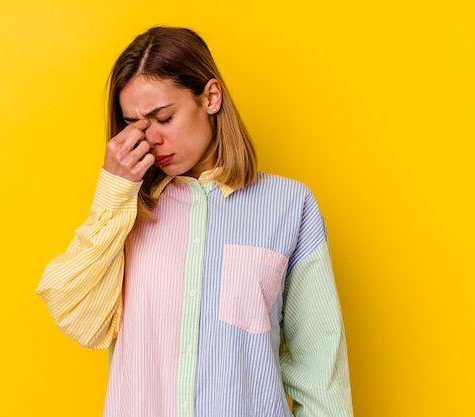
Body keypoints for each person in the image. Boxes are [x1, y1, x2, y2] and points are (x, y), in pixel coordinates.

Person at [36, 26, 353, 417]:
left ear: (210, 97)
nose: (150, 139)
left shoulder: (289, 205)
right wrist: (114, 189)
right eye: (134, 125)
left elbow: (320, 371)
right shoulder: (127, 210)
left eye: (163, 118)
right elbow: (75, 313)